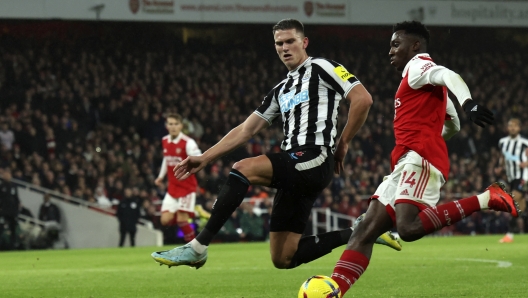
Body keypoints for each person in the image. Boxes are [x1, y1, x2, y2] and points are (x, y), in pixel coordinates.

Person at [151, 18, 400, 270]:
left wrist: (343, 141)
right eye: (279, 43)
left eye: (290, 41)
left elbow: (362, 99)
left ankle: (198, 247)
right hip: (294, 169)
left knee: (243, 168)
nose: (284, 47)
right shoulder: (280, 90)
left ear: (304, 42)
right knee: (283, 257)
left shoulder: (322, 67)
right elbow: (246, 129)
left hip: (314, 158)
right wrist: (205, 158)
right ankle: (363, 230)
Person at [329, 21, 520, 296]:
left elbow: (447, 75)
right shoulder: (421, 85)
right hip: (407, 159)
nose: (390, 51)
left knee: (407, 228)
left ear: (415, 46)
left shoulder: (418, 66)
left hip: (418, 158)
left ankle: (487, 198)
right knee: (364, 230)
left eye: (396, 44)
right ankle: (333, 290)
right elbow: (452, 125)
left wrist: (468, 104)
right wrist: (433, 133)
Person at [154, 113, 202, 243]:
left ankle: (194, 248)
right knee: (164, 220)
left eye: (176, 124)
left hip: (187, 187)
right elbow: (167, 159)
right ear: (166, 126)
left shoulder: (188, 142)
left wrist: (193, 163)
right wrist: (160, 176)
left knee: (182, 220)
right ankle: (195, 212)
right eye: (170, 124)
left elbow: (199, 158)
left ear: (181, 126)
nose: (173, 127)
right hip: (173, 187)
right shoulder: (165, 140)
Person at [496, 118, 528, 242]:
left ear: (519, 128)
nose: (513, 128)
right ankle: (522, 228)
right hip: (511, 177)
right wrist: (500, 166)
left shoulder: (525, 142)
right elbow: (502, 157)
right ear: (507, 128)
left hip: (524, 176)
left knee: (513, 199)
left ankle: (509, 234)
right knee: (521, 205)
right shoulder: (502, 142)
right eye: (510, 125)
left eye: (515, 126)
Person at [0, 168, 20, 250]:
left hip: (12, 212)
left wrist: (17, 208)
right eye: (5, 174)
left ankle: (13, 246)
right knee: (1, 228)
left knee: (13, 229)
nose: (7, 176)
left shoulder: (14, 186)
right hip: (3, 211)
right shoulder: (1, 186)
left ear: (10, 175)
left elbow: (16, 198)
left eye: (8, 174)